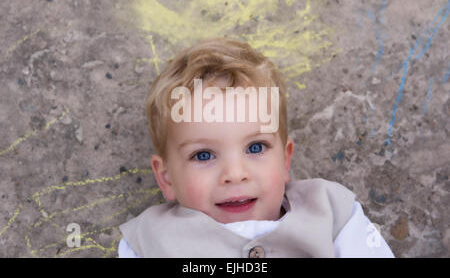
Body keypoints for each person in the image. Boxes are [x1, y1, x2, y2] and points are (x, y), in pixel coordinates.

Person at [118, 38, 394, 258]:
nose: (236, 174)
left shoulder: (332, 215)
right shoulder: (150, 242)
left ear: (285, 161)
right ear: (166, 178)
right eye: (203, 155)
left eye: (255, 147)